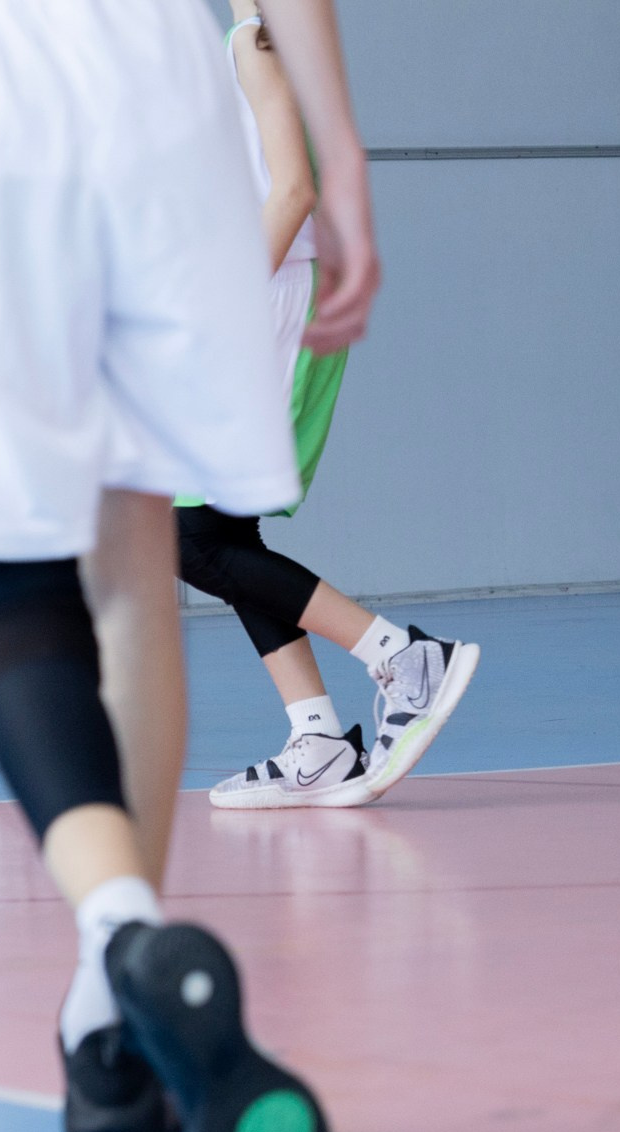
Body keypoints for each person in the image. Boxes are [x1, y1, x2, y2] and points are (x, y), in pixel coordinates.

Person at [0, 0, 382, 1132]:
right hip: (152, 89)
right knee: (136, 564)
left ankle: (122, 930)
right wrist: (338, 156)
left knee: (17, 583)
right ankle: (107, 1035)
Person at [178, 0, 478, 809]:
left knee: (189, 537)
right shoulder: (247, 35)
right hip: (269, 289)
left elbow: (293, 191)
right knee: (217, 529)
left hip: (269, 297)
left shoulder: (253, 37)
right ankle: (316, 734)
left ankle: (403, 657)